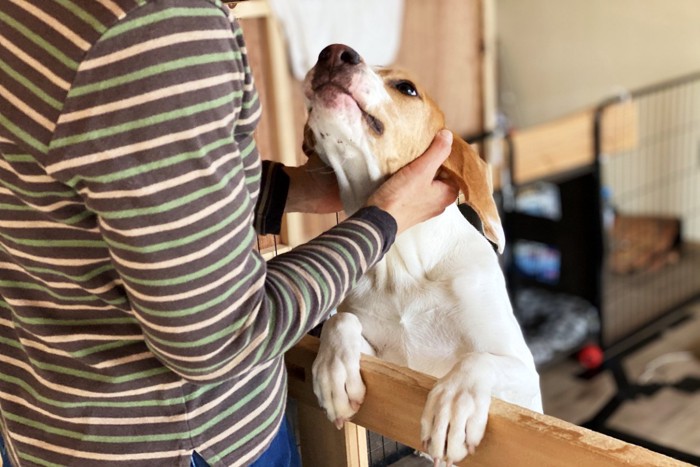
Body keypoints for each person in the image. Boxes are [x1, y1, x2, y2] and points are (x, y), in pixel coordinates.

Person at [0, 1, 457, 466]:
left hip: (43, 421)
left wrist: (287, 192)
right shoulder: (160, 31)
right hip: (185, 442)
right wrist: (382, 221)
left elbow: (127, 190)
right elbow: (221, 337)